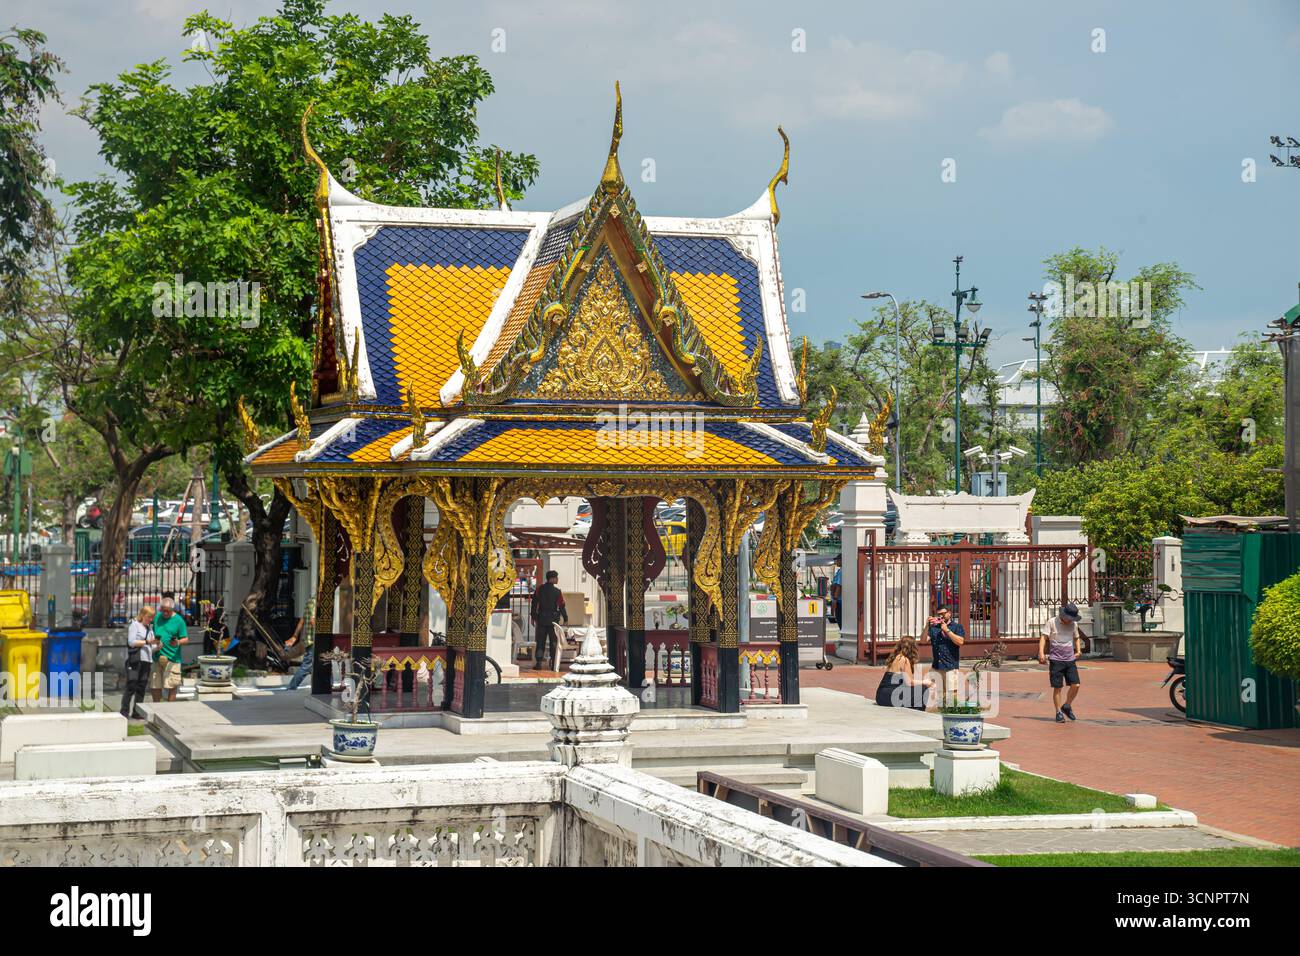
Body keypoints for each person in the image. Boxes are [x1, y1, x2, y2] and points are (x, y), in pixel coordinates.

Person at [1040, 602, 1086, 722]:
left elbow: (1076, 638)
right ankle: (1058, 712)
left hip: (1070, 659)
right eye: (1068, 619)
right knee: (1057, 687)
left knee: (1076, 685)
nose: (1070, 621)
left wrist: (1079, 650)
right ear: (1063, 615)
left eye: (1072, 619)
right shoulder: (1052, 622)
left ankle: (1067, 705)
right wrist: (1041, 653)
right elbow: (1044, 638)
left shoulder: (1073, 624)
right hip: (1056, 660)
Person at [874, 635, 933, 710]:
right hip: (890, 697)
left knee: (914, 691)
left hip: (880, 696)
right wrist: (925, 682)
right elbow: (910, 683)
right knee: (922, 689)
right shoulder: (904, 660)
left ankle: (912, 710)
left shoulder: (895, 657)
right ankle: (918, 713)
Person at [120, 605, 156, 719]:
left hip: (147, 660)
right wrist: (146, 641)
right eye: (149, 617)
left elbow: (151, 647)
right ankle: (124, 711)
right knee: (131, 685)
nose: (151, 619)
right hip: (136, 660)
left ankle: (137, 712)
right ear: (143, 615)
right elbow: (131, 642)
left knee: (141, 687)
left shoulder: (150, 629)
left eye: (152, 617)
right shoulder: (135, 625)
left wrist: (158, 645)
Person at [150, 597, 189, 702]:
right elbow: (150, 632)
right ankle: (156, 707)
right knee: (155, 685)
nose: (165, 613)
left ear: (173, 609)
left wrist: (178, 642)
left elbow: (185, 639)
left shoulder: (179, 621)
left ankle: (170, 709)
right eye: (163, 610)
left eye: (168, 611)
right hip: (157, 657)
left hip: (172, 658)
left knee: (172, 685)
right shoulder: (157, 617)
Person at [927, 603, 965, 705]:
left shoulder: (957, 627)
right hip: (936, 666)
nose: (941, 616)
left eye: (943, 613)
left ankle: (951, 714)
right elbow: (923, 640)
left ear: (949, 613)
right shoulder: (934, 627)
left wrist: (947, 630)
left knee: (952, 696)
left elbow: (960, 642)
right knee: (935, 694)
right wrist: (927, 626)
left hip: (950, 666)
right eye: (939, 614)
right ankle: (938, 715)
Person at [530, 570, 567, 669]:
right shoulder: (557, 592)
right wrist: (566, 618)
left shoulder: (539, 589)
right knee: (553, 642)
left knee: (540, 641)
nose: (557, 579)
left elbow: (534, 604)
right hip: (553, 621)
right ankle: (554, 664)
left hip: (541, 619)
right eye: (556, 577)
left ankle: (538, 663)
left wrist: (533, 617)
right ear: (553, 578)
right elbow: (561, 606)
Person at [285, 598, 317, 691]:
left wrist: (295, 635)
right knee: (306, 666)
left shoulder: (310, 601)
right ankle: (291, 687)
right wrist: (322, 633)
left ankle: (326, 686)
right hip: (313, 640)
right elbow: (312, 620)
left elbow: (302, 620)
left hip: (310, 640)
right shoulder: (315, 602)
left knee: (322, 664)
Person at [829, 556, 843, 626]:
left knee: (840, 619)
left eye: (837, 560)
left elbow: (839, 586)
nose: (836, 562)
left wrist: (834, 599)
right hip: (838, 600)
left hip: (839, 601)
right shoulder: (839, 570)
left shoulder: (842, 571)